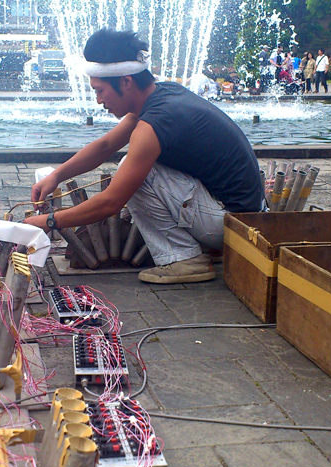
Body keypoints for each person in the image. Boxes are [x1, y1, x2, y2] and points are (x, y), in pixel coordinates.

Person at [23, 28, 263, 284]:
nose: (98, 100)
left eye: (101, 90)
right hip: (246, 219)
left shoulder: (154, 123)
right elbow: (105, 146)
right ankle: (197, 249)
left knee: (137, 170)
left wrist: (49, 221)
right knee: (135, 165)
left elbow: (111, 202)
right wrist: (56, 176)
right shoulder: (162, 95)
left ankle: (183, 259)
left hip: (232, 227)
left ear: (126, 81)